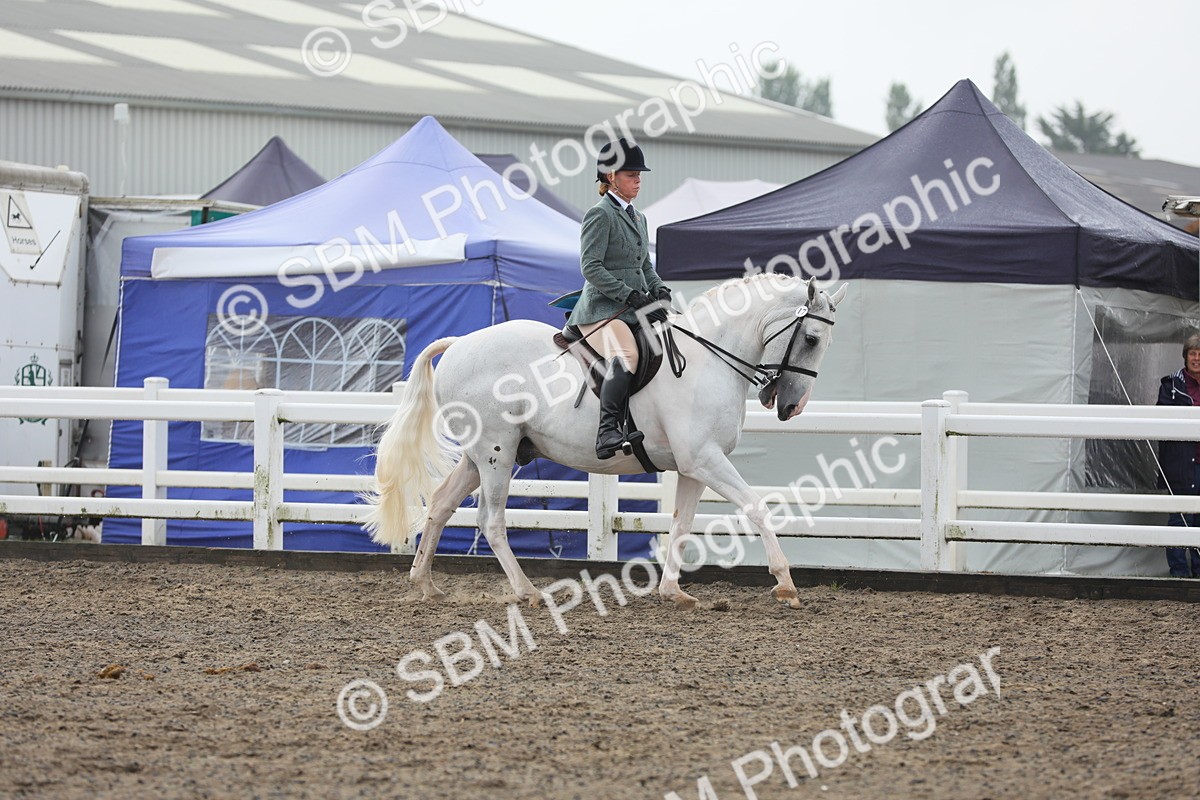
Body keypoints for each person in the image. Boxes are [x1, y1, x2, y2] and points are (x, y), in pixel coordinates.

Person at [566, 138, 672, 460]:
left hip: (631, 308)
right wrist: (629, 294)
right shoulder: (600, 215)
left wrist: (659, 289)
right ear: (611, 177)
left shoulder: (639, 218)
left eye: (640, 175)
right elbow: (591, 267)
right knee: (627, 355)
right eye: (631, 175)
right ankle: (607, 431)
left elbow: (644, 267)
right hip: (601, 309)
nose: (638, 180)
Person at [1156, 333, 1200, 577]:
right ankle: (1180, 573)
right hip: (1182, 463)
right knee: (1180, 518)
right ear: (1185, 357)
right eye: (1193, 353)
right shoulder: (1171, 385)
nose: (1197, 358)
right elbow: (1162, 419)